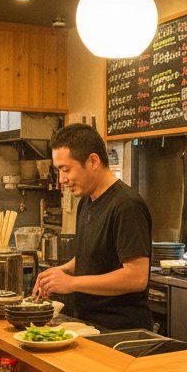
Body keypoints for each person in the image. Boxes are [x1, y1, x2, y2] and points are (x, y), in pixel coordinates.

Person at [34, 124, 152, 330]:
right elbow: (93, 255)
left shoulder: (126, 205)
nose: (62, 179)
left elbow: (136, 276)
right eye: (59, 171)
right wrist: (60, 272)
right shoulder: (87, 201)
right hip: (88, 324)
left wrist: (72, 283)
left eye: (66, 169)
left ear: (93, 161)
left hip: (120, 331)